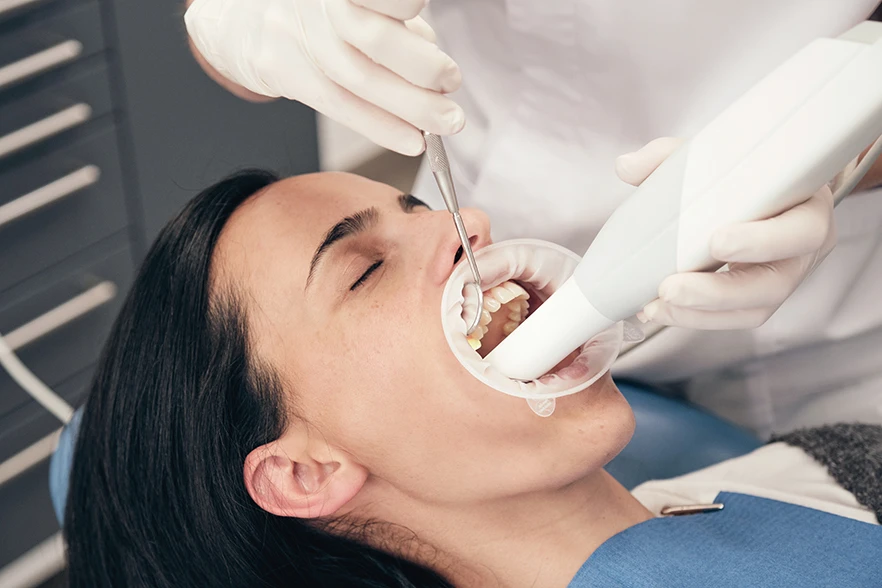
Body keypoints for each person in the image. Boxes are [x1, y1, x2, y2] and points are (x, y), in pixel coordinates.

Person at [65, 170, 881, 587]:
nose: (471, 227)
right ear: (306, 471)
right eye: (364, 270)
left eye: (422, 206)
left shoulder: (821, 466)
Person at [182, 0, 882, 438]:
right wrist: (246, 19)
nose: (471, 230)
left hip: (829, 329)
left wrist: (838, 154)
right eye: (364, 270)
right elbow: (246, 33)